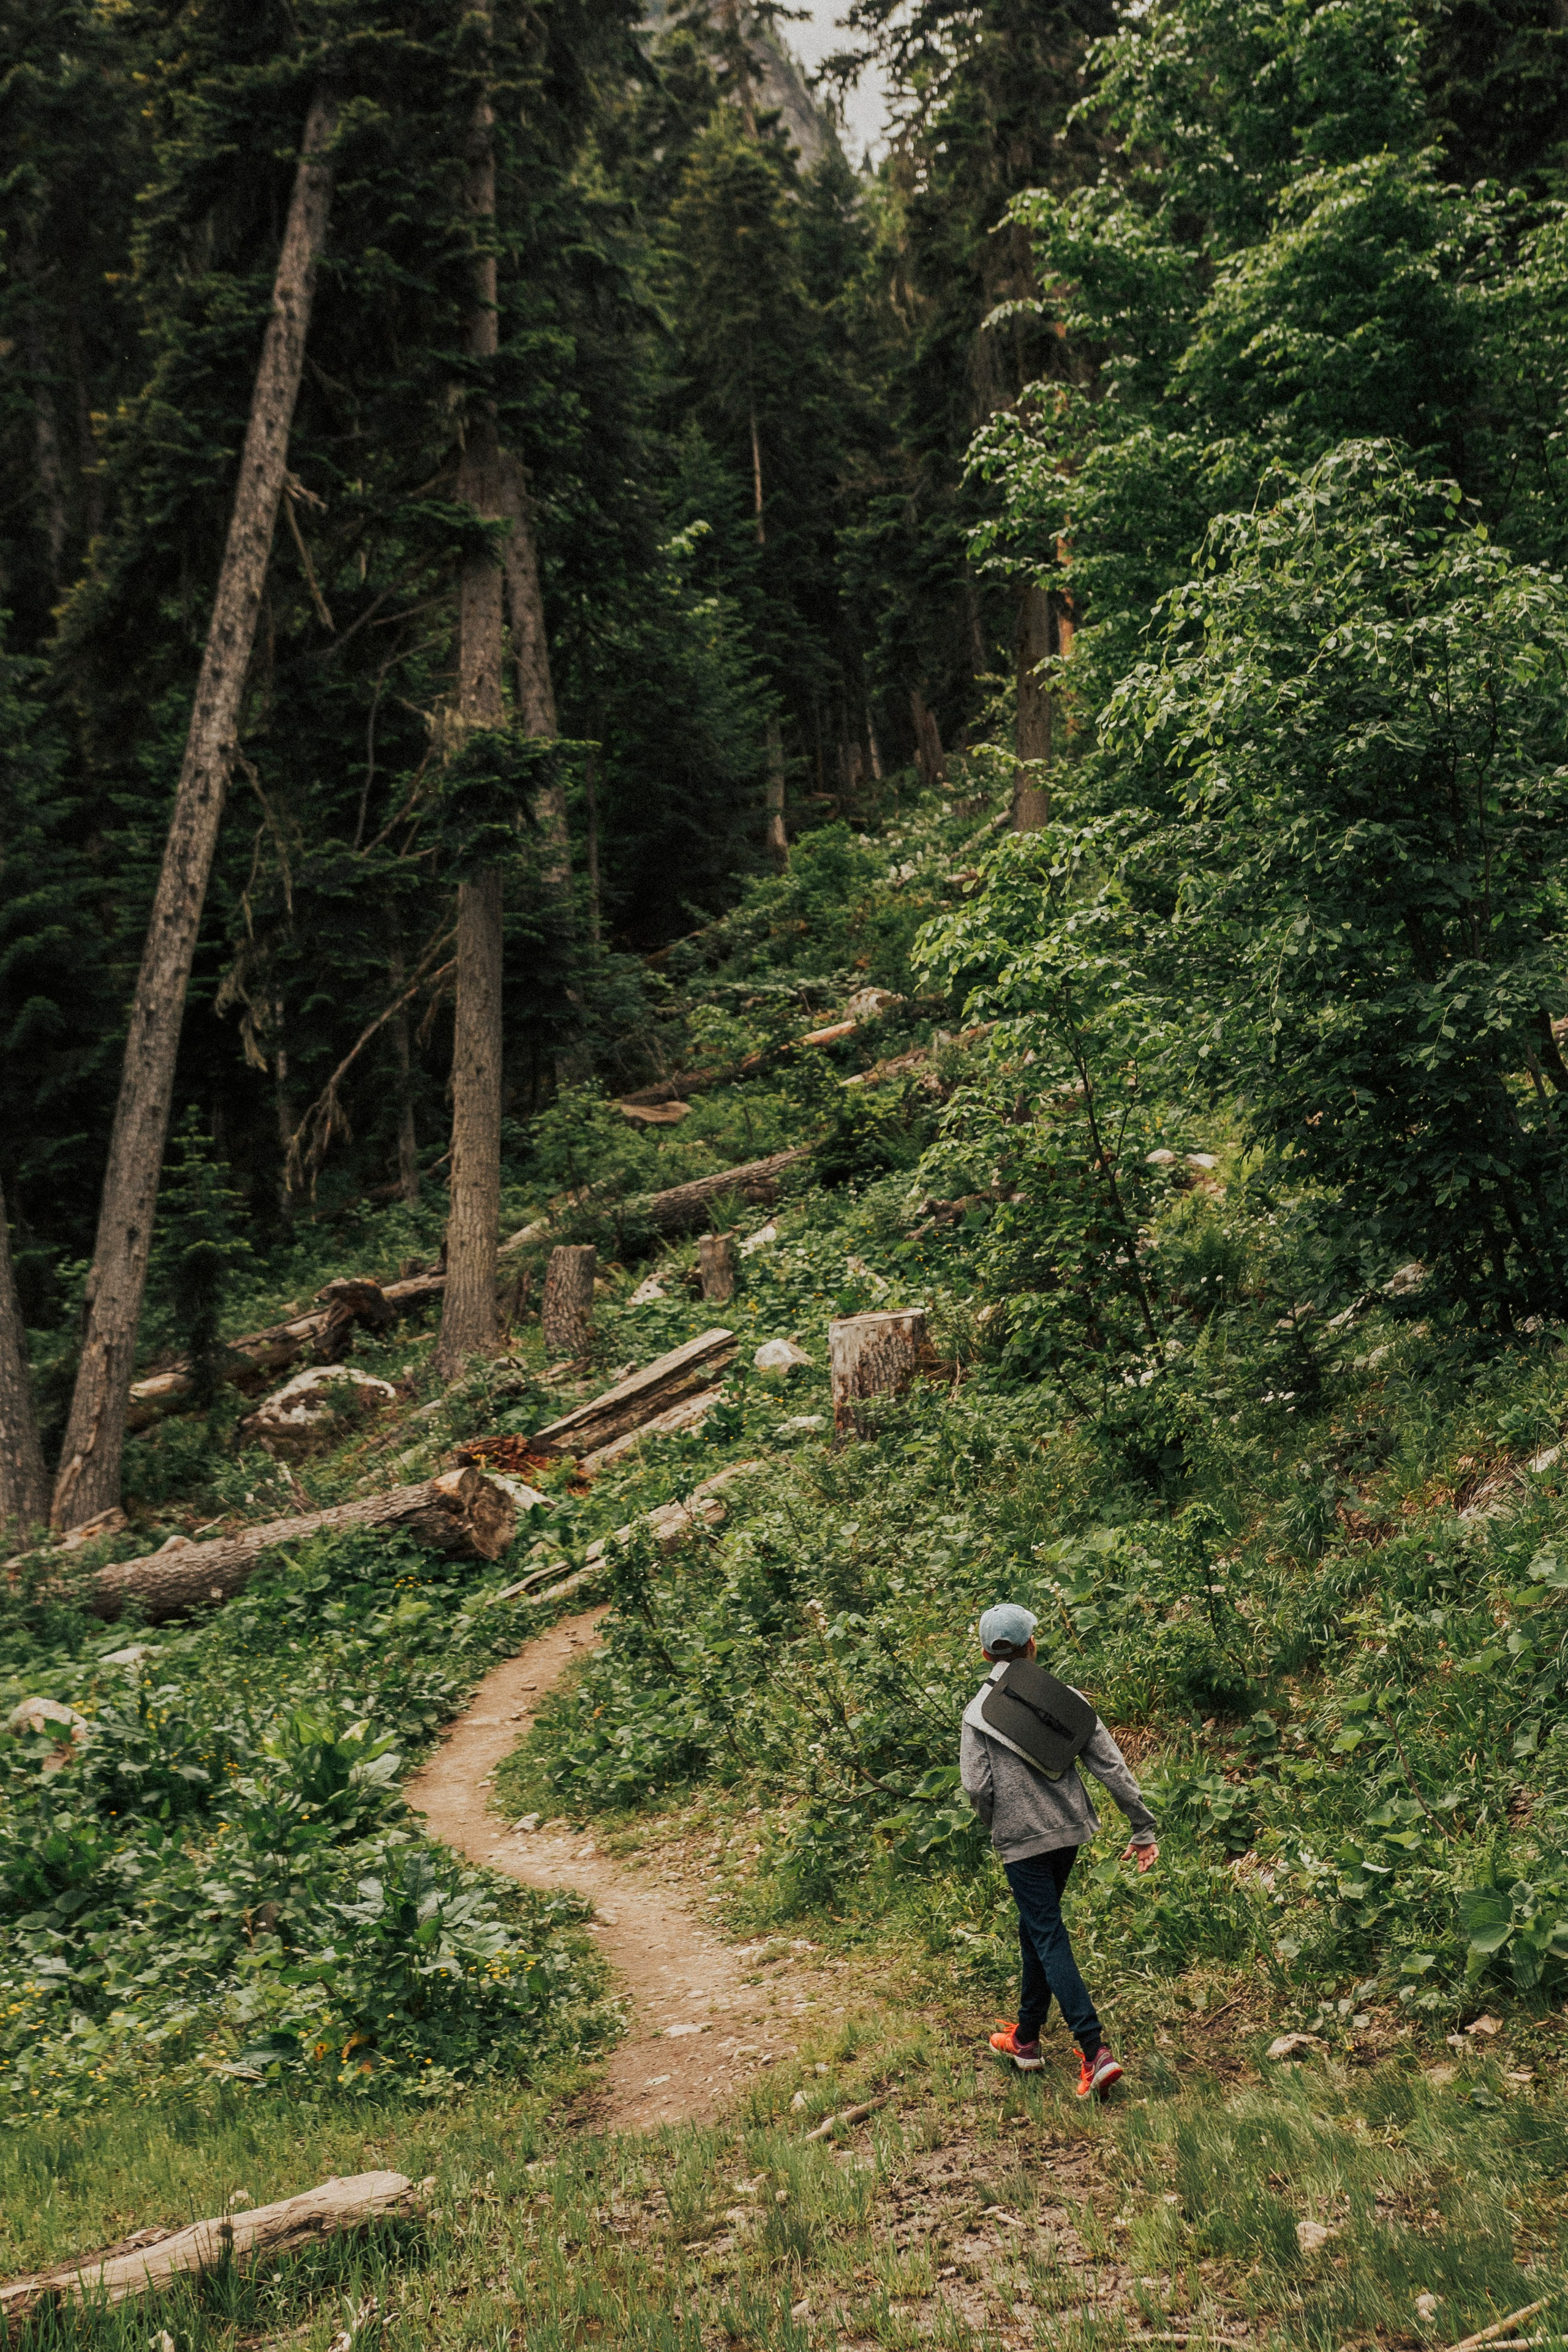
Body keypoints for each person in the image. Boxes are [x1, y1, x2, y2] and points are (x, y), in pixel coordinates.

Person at [960, 1601, 1158, 2099]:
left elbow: (977, 1787)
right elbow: (1110, 1765)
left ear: (985, 1654)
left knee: (1046, 1932)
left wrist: (1000, 1825)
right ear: (1033, 1644)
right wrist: (1142, 1826)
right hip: (1069, 1832)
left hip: (1021, 1840)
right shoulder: (1065, 1699)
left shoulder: (978, 1712)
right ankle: (1026, 2039)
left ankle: (1095, 2051)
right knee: (1037, 1926)